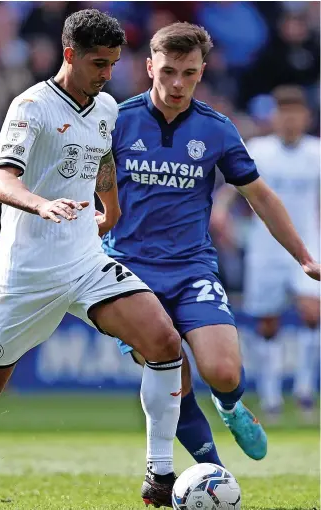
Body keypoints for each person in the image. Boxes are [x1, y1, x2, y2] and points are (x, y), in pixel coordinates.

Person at [0, 10, 183, 510]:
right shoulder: (30, 106)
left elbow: (102, 156)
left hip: (85, 261)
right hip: (27, 277)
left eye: (113, 64)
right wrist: (40, 202)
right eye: (98, 63)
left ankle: (159, 476)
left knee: (164, 341)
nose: (106, 74)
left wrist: (109, 206)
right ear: (68, 54)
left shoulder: (107, 106)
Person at [102, 21, 320, 463]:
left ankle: (230, 405)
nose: (177, 83)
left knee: (222, 371)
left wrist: (303, 257)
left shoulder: (217, 130)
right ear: (149, 68)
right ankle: (213, 473)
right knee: (173, 380)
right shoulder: (116, 122)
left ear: (202, 72)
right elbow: (86, 179)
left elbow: (259, 195)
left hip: (191, 269)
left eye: (188, 73)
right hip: (130, 273)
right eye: (167, 72)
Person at [213, 85, 320, 421]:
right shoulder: (258, 149)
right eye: (283, 114)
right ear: (274, 118)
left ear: (306, 117)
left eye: (295, 115)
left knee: (312, 312)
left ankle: (304, 391)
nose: (289, 121)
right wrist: (221, 212)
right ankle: (271, 396)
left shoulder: (317, 153)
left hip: (308, 244)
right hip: (265, 248)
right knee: (268, 323)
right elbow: (232, 188)